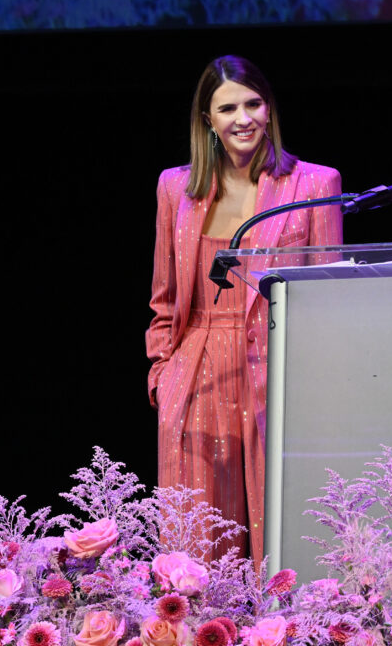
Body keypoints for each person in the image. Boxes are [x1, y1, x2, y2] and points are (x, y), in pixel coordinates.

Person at [146, 56, 343, 562]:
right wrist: (162, 374)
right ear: (207, 121)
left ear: (269, 108)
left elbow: (327, 302)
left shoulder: (315, 184)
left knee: (285, 543)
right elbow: (165, 296)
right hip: (197, 371)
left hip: (278, 372)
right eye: (227, 107)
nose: (243, 118)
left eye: (253, 103)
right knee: (195, 548)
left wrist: (320, 390)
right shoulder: (176, 187)